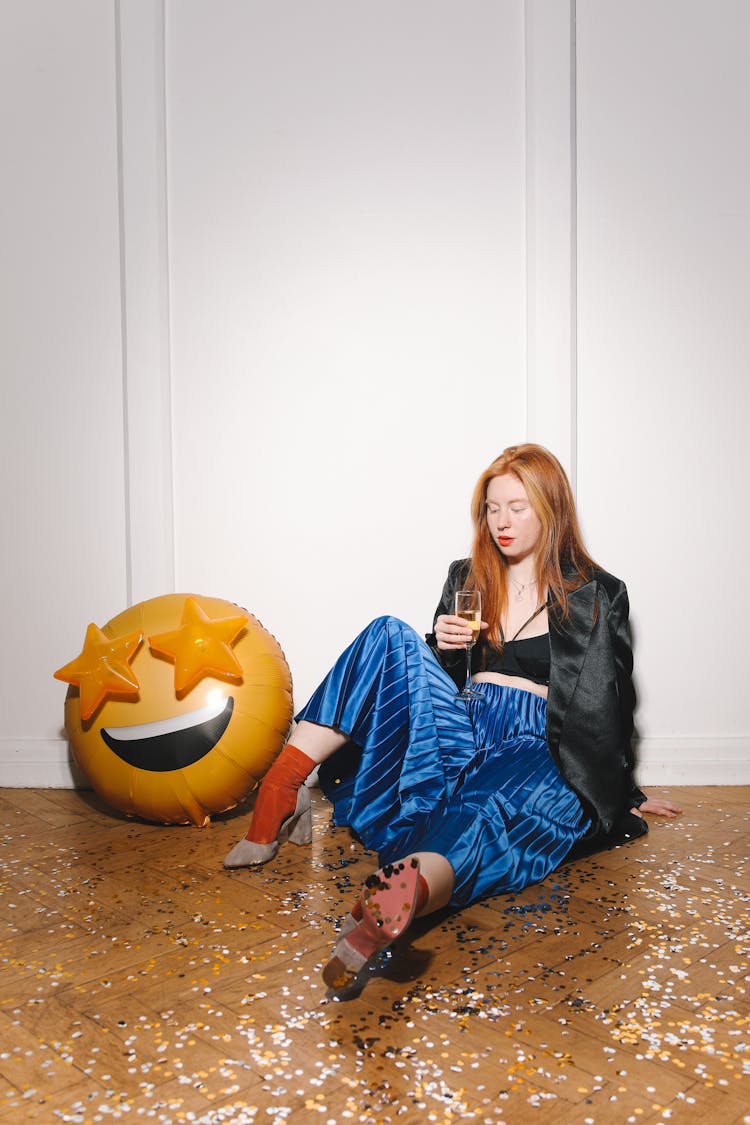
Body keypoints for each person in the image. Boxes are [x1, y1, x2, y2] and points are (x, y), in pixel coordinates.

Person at [224, 444, 681, 992]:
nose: (502, 522)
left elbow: (610, 700)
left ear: (550, 507)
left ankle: (401, 895)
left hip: (538, 741)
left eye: (518, 506)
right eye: (492, 508)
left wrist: (623, 791)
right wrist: (440, 643)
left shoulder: (597, 593)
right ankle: (283, 781)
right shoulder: (467, 575)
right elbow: (433, 678)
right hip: (461, 727)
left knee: (485, 809)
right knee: (387, 632)